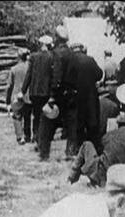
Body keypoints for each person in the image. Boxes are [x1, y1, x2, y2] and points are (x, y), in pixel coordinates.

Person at [69, 112, 125, 186]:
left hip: (102, 174)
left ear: (118, 124)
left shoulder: (108, 135)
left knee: (86, 144)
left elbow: (100, 150)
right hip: (122, 176)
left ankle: (71, 178)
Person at [38, 25, 78, 161]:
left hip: (59, 94)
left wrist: (53, 96)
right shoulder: (73, 54)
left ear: (56, 38)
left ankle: (44, 153)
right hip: (72, 94)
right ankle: (70, 151)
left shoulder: (56, 53)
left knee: (47, 122)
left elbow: (57, 76)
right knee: (72, 125)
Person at [66, 41, 104, 153]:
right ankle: (95, 148)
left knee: (78, 123)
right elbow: (99, 74)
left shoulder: (71, 61)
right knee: (92, 123)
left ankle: (78, 149)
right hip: (91, 96)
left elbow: (67, 79)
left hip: (77, 96)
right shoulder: (90, 59)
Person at [22, 35, 53, 145]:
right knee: (45, 114)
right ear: (48, 45)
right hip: (46, 92)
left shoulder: (33, 56)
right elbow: (52, 75)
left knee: (36, 114)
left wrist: (23, 89)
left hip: (34, 91)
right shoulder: (51, 57)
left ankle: (35, 134)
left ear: (40, 45)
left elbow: (29, 74)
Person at [6, 49, 32, 144]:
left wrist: (7, 100)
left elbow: (9, 85)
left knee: (17, 117)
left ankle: (20, 137)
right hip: (28, 95)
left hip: (16, 95)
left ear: (18, 57)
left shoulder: (14, 69)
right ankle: (28, 136)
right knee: (27, 117)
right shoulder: (30, 67)